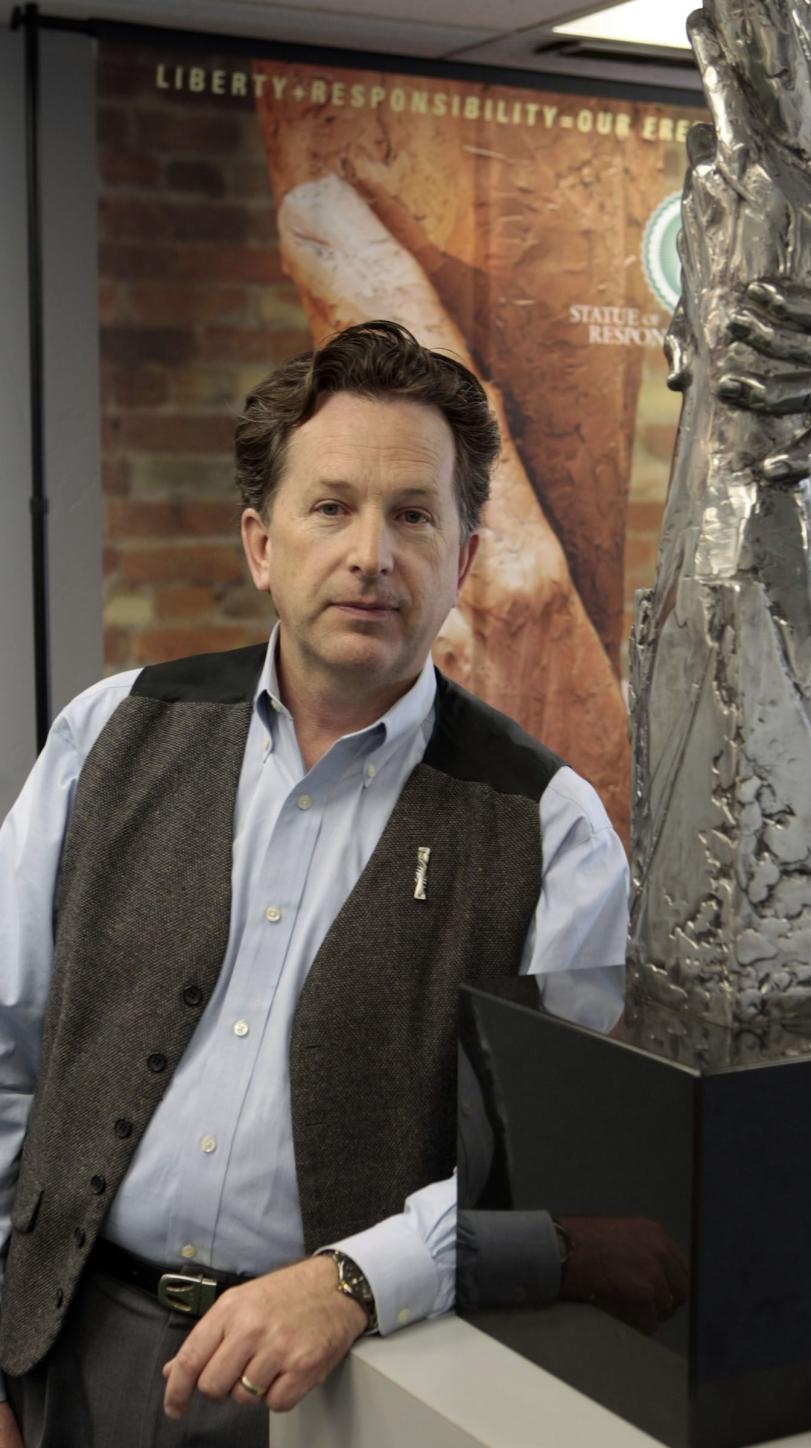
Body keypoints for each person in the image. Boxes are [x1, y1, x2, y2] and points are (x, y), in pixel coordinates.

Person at [0, 320, 629, 1447]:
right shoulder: (109, 734)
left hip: (355, 1390)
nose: (371, 554)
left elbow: (562, 1184)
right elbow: (4, 1049)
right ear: (260, 542)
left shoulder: (552, 830)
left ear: (465, 561)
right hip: (67, 1354)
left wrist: (352, 1277)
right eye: (331, 506)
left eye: (413, 514)